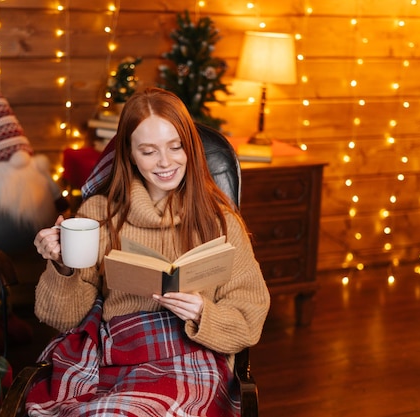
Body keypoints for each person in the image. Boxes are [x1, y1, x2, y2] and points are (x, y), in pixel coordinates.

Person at [28, 87, 270, 416]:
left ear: (191, 147)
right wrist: (62, 266)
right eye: (149, 151)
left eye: (176, 146)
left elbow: (249, 321)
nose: (166, 162)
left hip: (192, 358)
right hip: (116, 358)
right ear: (128, 153)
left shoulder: (221, 222)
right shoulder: (97, 215)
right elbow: (63, 319)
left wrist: (202, 312)